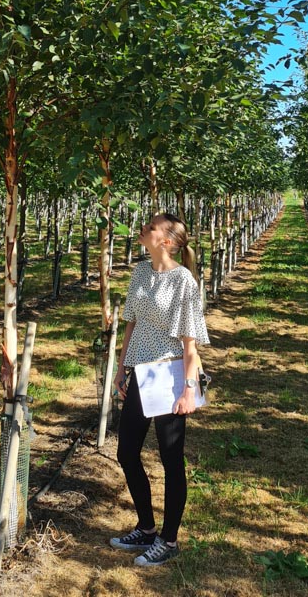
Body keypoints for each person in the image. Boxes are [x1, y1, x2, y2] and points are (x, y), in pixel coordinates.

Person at [109, 212, 209, 567]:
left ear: (166, 241)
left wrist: (188, 390)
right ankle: (147, 528)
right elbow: (131, 324)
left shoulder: (184, 281)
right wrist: (121, 369)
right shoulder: (139, 272)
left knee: (170, 459)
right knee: (126, 452)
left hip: (169, 376)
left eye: (150, 227)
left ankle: (168, 540)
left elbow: (190, 345)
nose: (143, 228)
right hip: (141, 375)